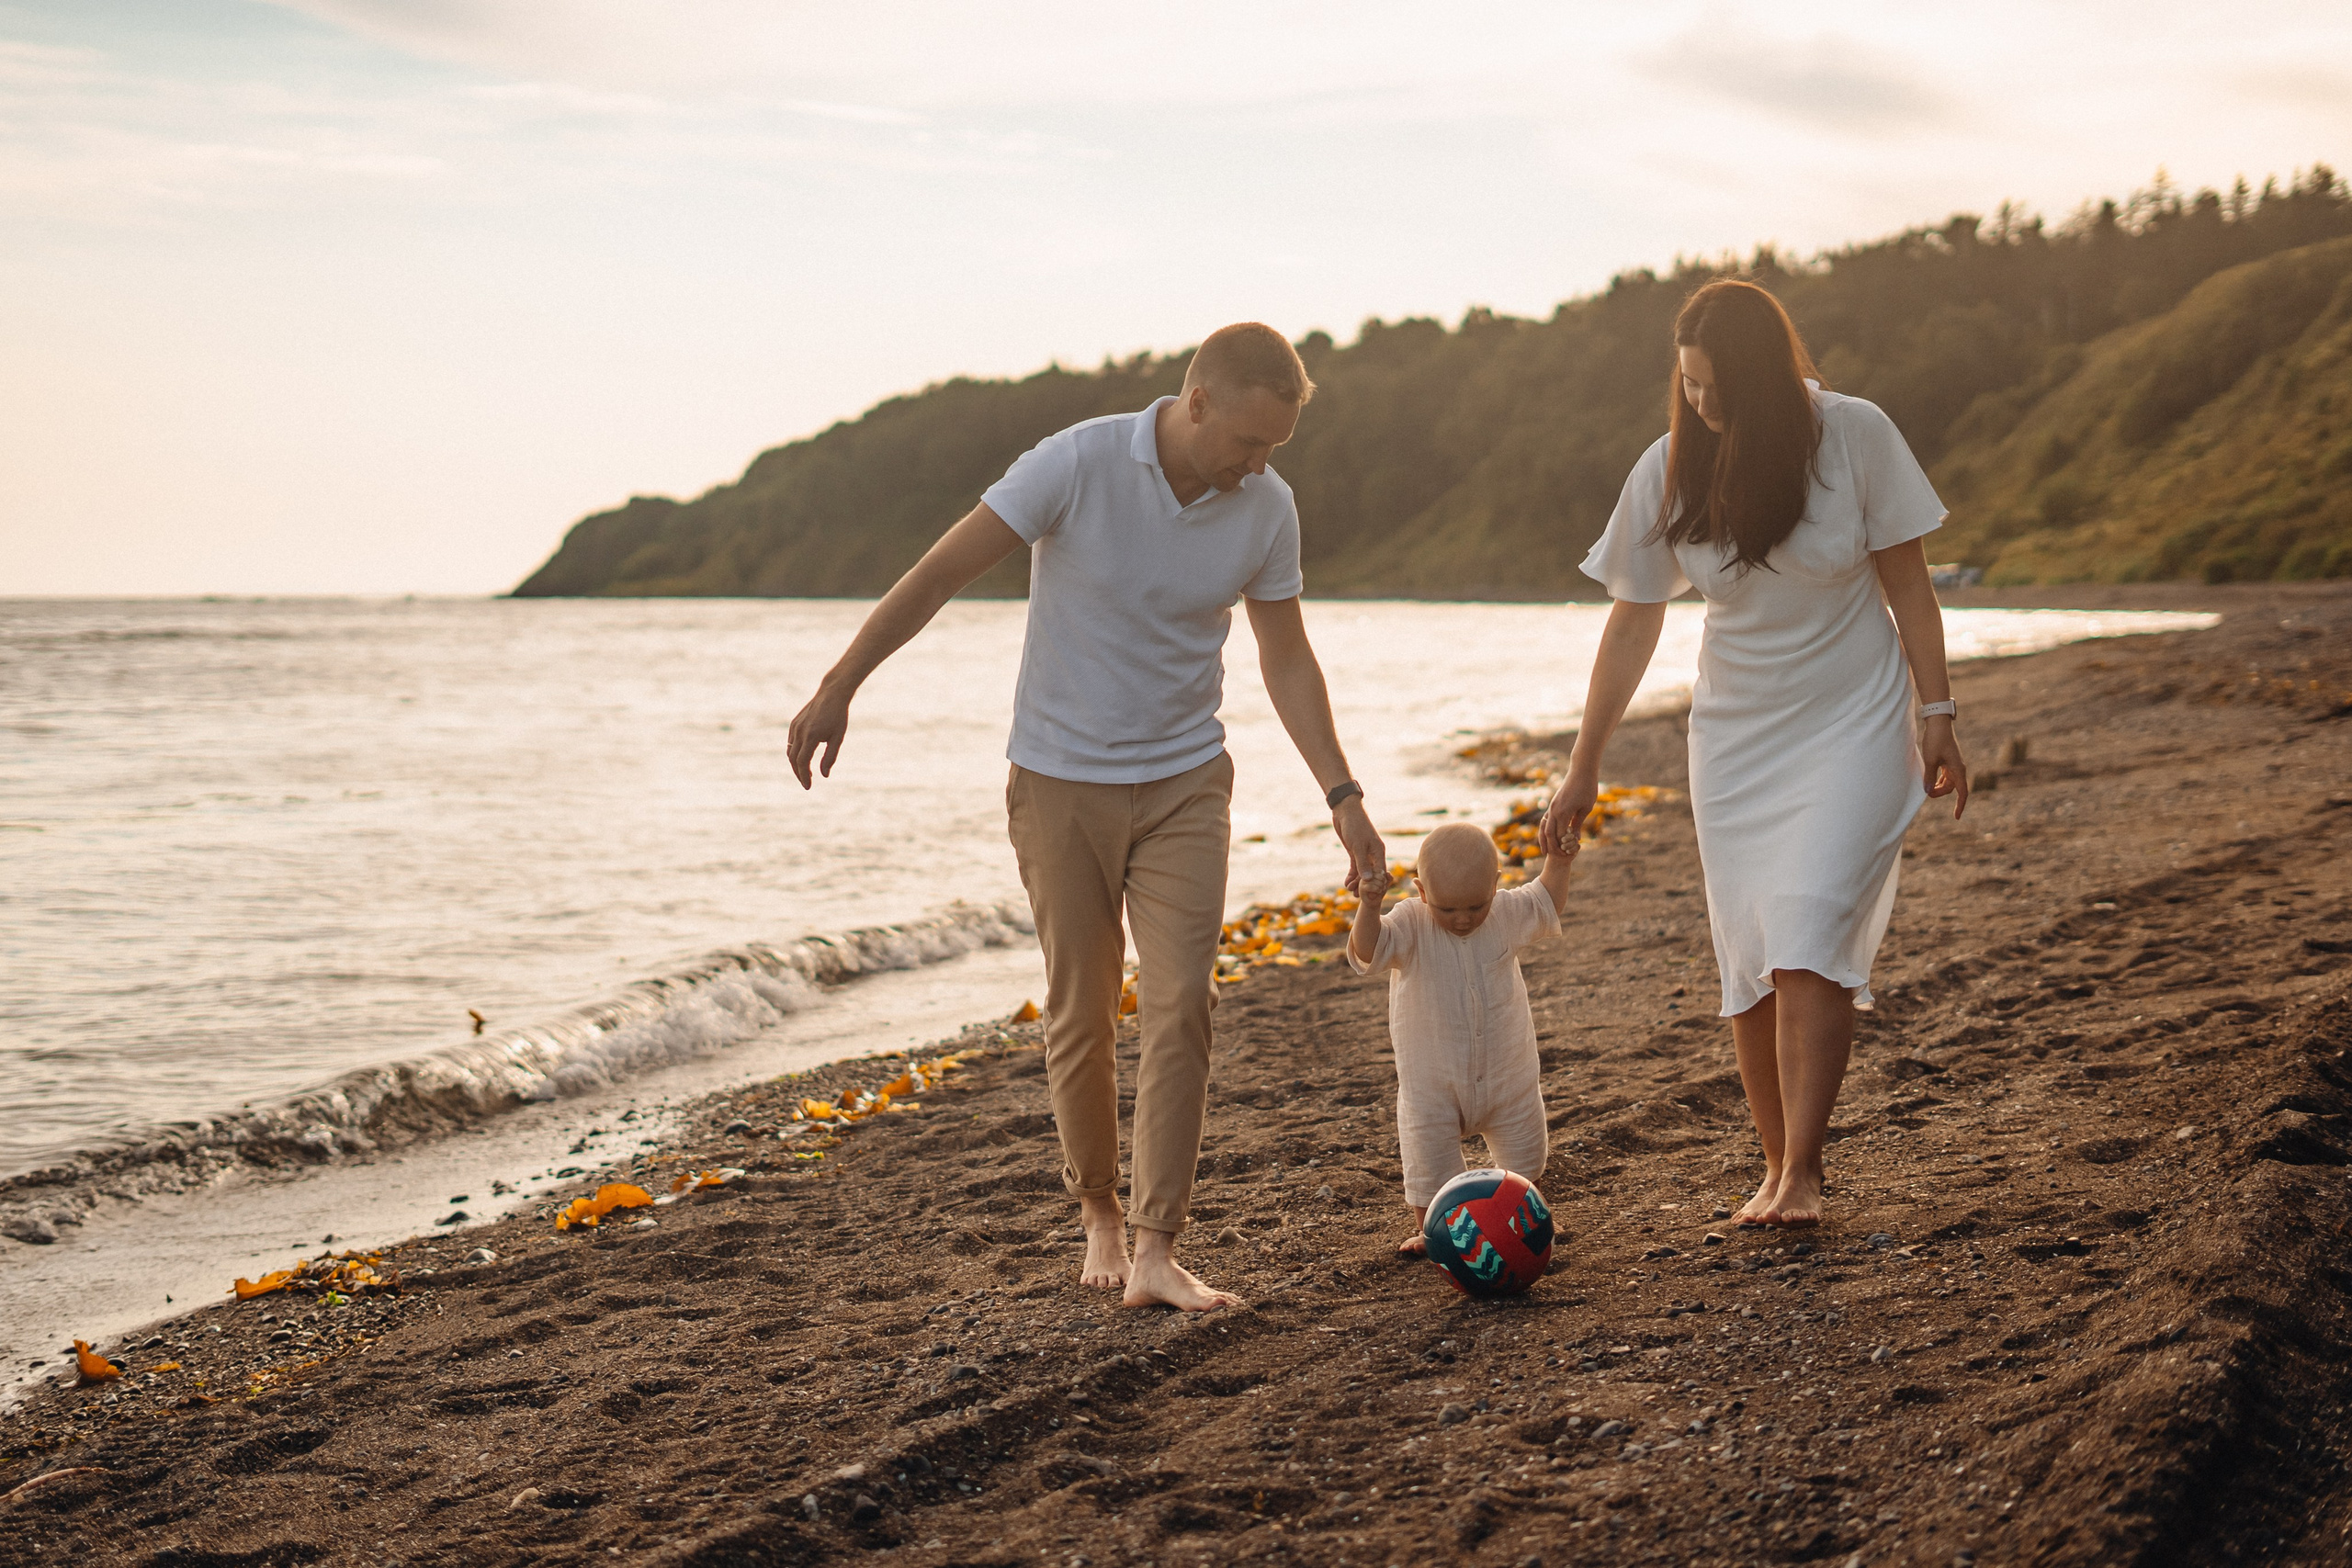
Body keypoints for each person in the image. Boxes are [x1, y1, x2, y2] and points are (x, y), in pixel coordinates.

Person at [786, 322, 1385, 1311]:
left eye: (1275, 446)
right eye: (1246, 440)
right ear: (1196, 404)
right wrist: (840, 684)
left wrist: (1342, 795)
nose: (1258, 463)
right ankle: (1099, 1211)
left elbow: (1286, 657)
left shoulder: (1266, 508)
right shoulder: (1075, 462)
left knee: (1185, 999)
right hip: (1059, 782)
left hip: (1187, 779)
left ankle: (1156, 1245)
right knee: (1082, 1009)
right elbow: (939, 573)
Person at [1541, 278, 1969, 1228]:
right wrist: (1583, 765)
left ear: (1764, 375)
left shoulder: (1853, 435)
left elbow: (1910, 587)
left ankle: (1805, 1173)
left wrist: (1936, 710)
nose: (1699, 402)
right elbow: (1629, 629)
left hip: (1854, 720)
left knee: (1809, 927)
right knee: (1750, 961)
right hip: (1736, 739)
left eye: (1715, 385)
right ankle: (1773, 1168)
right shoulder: (1667, 468)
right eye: (1686, 385)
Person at [1347, 822, 1577, 1256]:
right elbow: (1366, 951)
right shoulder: (1409, 923)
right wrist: (1370, 906)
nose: (1464, 918)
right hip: (1433, 1082)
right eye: (1448, 909)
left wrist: (1559, 860)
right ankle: (1430, 1227)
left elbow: (1547, 901)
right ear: (1421, 891)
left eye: (1476, 905)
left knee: (1525, 1151)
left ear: (1496, 885)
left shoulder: (1506, 913)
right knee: (1428, 1159)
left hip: (1507, 1070)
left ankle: (1528, 1210)